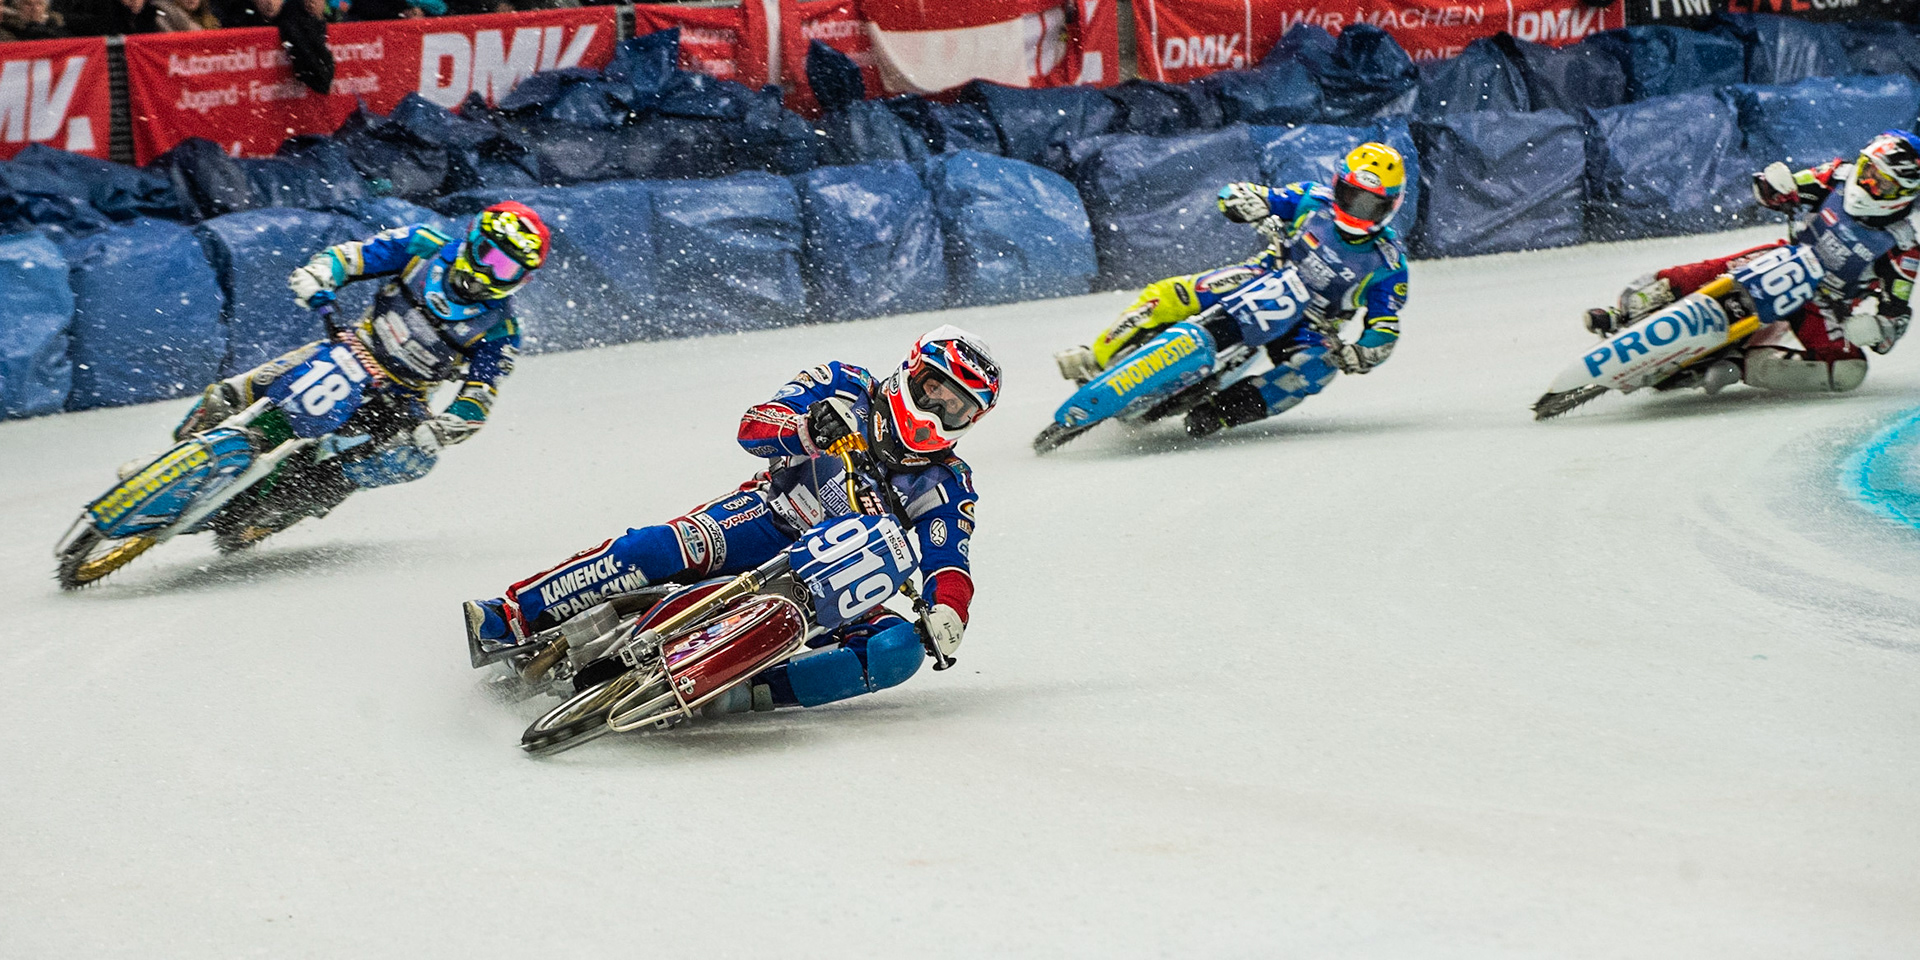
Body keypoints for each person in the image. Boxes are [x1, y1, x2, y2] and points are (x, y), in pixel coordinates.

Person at [464, 327, 1001, 713]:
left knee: (895, 651)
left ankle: (742, 692)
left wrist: (949, 612)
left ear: (970, 421)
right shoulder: (844, 383)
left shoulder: (948, 481)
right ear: (912, 369)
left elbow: (947, 556)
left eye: (957, 407)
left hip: (835, 580)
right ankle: (513, 613)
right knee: (654, 551)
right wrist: (804, 430)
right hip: (767, 517)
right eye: (934, 388)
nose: (937, 409)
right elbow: (753, 425)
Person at [172, 202, 548, 550]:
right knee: (235, 394)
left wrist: (443, 428)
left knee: (412, 459)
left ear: (523, 278)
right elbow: (355, 257)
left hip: (403, 400)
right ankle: (176, 457)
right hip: (350, 350)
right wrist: (321, 274)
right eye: (487, 255)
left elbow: (479, 398)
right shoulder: (423, 245)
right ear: (471, 239)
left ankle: (293, 502)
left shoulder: (501, 330)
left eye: (505, 268)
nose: (488, 273)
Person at [1053, 142, 1411, 439]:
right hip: (1261, 275)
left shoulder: (1388, 265)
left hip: (1311, 325)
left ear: (1390, 206)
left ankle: (1221, 412)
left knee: (1315, 370)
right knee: (1173, 292)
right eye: (1350, 196)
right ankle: (1097, 356)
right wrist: (1244, 200)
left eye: (1369, 204)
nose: (1355, 209)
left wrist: (1363, 353)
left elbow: (1384, 325)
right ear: (1336, 186)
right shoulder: (1311, 200)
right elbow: (1245, 195)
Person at [1582, 131, 1919, 394]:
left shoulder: (1903, 248)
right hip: (1785, 259)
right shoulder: (1838, 175)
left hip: (1825, 303)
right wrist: (1773, 185)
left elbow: (1896, 316)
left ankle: (1739, 366)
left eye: (1882, 182)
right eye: (1868, 171)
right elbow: (1776, 191)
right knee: (1711, 270)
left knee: (1849, 371)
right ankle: (1629, 310)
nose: (1867, 182)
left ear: (1903, 192)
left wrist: (1879, 329)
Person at [1, 0, 71, 38]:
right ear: (18, 7)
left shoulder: (56, 25)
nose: (34, 8)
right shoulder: (8, 29)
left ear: (45, 7)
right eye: (28, 4)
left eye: (39, 4)